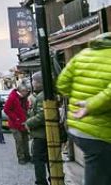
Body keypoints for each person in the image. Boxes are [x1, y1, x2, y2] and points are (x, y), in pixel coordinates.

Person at [57, 33, 111, 185]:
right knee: (99, 174)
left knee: (97, 168)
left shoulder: (82, 55)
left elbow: (62, 84)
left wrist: (78, 97)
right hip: (102, 129)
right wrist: (91, 104)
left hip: (77, 127)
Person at [25, 72, 48, 185]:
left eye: (34, 81)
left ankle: (41, 182)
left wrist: (28, 123)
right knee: (47, 158)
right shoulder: (41, 94)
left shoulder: (41, 96)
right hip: (44, 133)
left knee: (38, 159)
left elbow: (41, 116)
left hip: (41, 134)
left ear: (39, 82)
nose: (33, 83)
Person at [5, 83, 32, 165]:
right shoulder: (12, 97)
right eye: (26, 91)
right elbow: (7, 109)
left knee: (25, 140)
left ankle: (27, 156)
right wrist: (16, 118)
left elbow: (25, 108)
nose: (27, 92)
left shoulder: (23, 98)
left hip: (23, 122)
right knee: (19, 141)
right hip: (15, 123)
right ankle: (21, 158)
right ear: (21, 91)